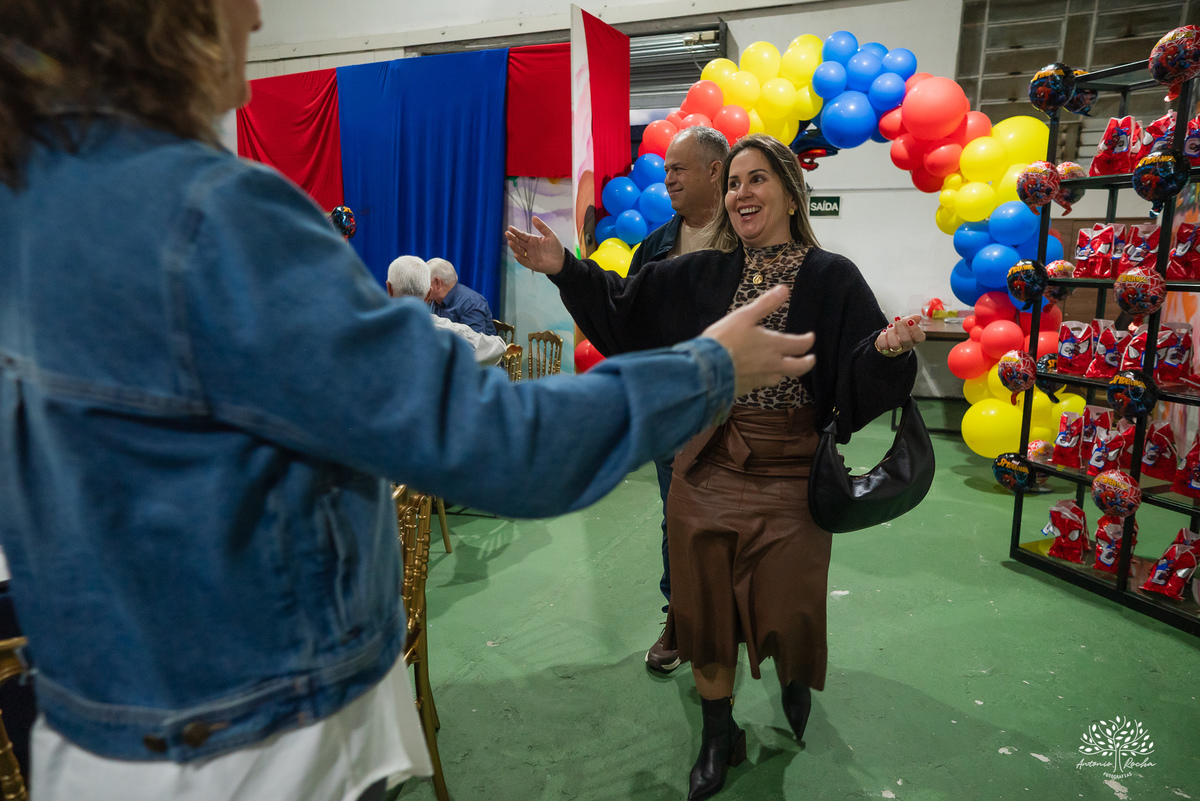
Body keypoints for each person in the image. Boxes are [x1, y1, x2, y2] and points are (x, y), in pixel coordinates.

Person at [0, 5, 823, 801]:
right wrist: (710, 368)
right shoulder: (213, 219)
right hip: (258, 743)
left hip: (97, 724)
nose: (256, 18)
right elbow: (504, 443)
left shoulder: (29, 205)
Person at [507, 133, 924, 801]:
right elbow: (624, 307)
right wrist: (565, 267)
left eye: (756, 180)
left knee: (786, 605)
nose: (741, 193)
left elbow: (859, 371)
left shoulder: (830, 275)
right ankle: (715, 732)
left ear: (790, 191)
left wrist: (890, 351)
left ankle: (791, 676)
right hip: (705, 463)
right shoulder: (701, 273)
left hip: (791, 469)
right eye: (733, 183)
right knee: (701, 606)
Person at [626, 126, 730, 676]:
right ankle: (682, 617)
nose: (667, 179)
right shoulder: (655, 248)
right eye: (665, 170)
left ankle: (741, 621)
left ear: (716, 171)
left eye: (677, 168)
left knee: (745, 521)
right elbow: (629, 319)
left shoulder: (750, 239)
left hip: (744, 413)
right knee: (679, 519)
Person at [387, 255, 508, 365]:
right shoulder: (434, 307)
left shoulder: (472, 303)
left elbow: (475, 352)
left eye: (424, 282)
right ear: (428, 294)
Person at [426, 257, 497, 336]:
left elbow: (474, 344)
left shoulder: (472, 303)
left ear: (437, 282)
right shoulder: (434, 300)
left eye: (426, 283)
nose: (424, 288)